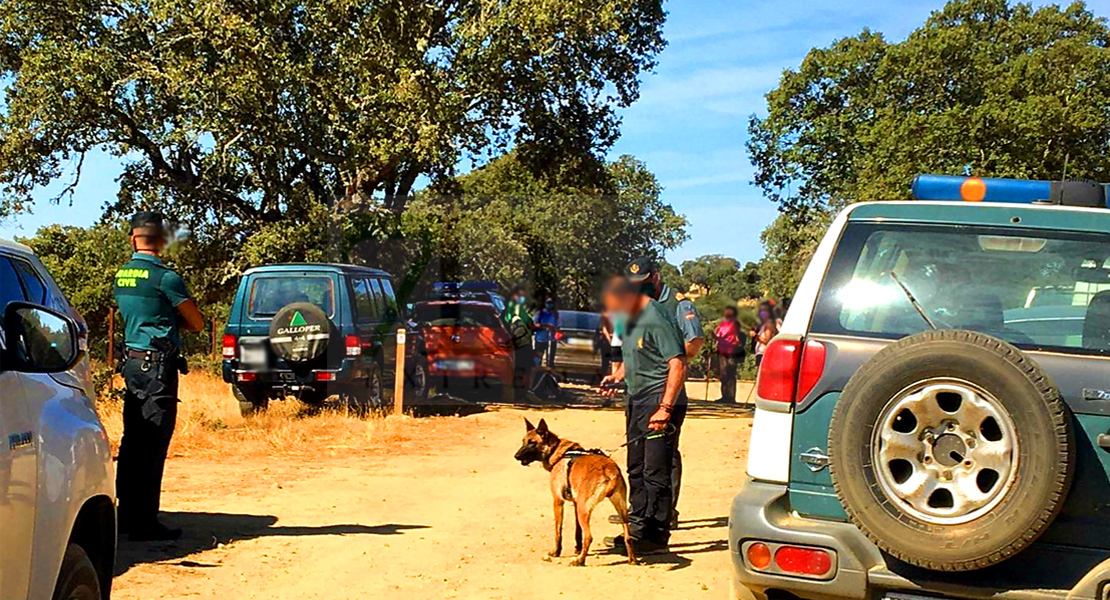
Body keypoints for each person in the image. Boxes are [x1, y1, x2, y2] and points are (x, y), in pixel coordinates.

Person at [113, 212, 205, 541]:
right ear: (162, 240)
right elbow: (196, 323)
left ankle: (124, 513)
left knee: (132, 441)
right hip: (157, 369)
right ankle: (145, 522)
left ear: (132, 238)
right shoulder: (166, 278)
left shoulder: (122, 276)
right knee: (153, 445)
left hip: (132, 365)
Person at [598, 276, 687, 553]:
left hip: (658, 400)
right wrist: (617, 377)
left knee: (655, 470)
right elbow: (633, 357)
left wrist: (665, 408)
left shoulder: (656, 316)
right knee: (635, 467)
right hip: (636, 399)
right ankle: (636, 527)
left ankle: (657, 535)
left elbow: (678, 363)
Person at [624, 257, 701, 526]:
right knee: (638, 464)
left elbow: (693, 342)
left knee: (660, 463)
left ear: (655, 277)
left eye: (643, 282)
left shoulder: (677, 304)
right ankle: (639, 521)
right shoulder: (636, 310)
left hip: (664, 390)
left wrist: (673, 362)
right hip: (640, 394)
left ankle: (661, 520)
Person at [505, 286, 536, 400]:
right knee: (526, 368)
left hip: (511, 344)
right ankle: (523, 393)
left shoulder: (506, 309)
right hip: (523, 344)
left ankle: (517, 393)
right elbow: (529, 323)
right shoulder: (518, 308)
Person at [714, 306, 746, 403]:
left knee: (730, 373)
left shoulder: (734, 323)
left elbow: (735, 336)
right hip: (721, 350)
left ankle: (731, 396)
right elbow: (719, 336)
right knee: (723, 374)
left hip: (731, 350)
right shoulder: (722, 324)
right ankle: (724, 395)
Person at [750, 300, 781, 367]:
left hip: (763, 353)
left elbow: (766, 340)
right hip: (761, 353)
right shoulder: (763, 324)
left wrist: (756, 336)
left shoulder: (769, 324)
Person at [534, 296, 559, 369]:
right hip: (540, 339)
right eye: (548, 302)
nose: (549, 304)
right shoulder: (540, 313)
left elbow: (558, 326)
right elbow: (534, 325)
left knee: (550, 361)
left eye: (551, 303)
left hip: (551, 339)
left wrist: (553, 328)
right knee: (538, 359)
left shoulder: (555, 314)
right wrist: (544, 326)